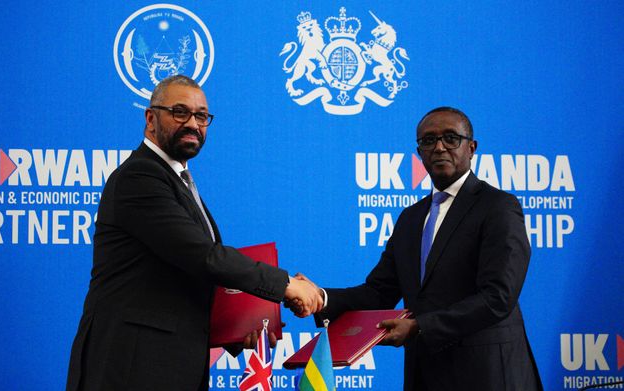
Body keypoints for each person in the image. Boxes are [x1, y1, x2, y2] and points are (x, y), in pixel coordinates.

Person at [66, 75, 323, 391]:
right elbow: (203, 257)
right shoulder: (140, 176)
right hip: (131, 368)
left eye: (201, 116)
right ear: (150, 119)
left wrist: (237, 327)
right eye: (179, 112)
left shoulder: (178, 180)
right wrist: (284, 284)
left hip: (175, 365)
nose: (192, 123)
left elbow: (188, 276)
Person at [297, 107, 542, 390]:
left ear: (471, 148)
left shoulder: (497, 206)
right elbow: (378, 292)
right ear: (419, 153)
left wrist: (419, 326)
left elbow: (498, 296)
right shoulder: (411, 218)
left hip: (487, 374)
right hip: (425, 374)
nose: (439, 147)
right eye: (429, 141)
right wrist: (320, 297)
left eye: (451, 138)